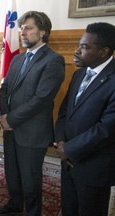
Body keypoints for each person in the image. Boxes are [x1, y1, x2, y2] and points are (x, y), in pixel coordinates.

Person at [0, 11, 65, 216]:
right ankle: (15, 204)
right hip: (10, 129)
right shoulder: (16, 59)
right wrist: (5, 117)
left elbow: (41, 99)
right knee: (12, 173)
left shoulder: (53, 60)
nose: (22, 32)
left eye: (28, 28)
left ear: (42, 32)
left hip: (32, 132)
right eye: (21, 28)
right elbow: (4, 89)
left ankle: (32, 212)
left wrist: (12, 119)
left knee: (31, 179)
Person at [54, 22, 115, 216]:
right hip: (69, 163)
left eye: (85, 47)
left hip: (93, 167)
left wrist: (69, 149)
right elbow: (64, 112)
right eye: (80, 44)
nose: (77, 50)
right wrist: (62, 142)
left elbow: (106, 129)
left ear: (103, 52)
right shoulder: (79, 74)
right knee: (69, 209)